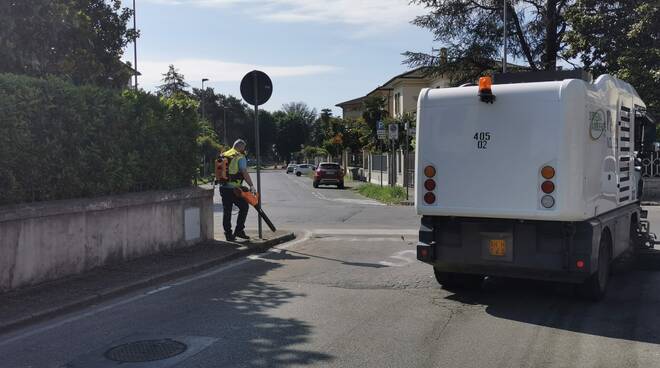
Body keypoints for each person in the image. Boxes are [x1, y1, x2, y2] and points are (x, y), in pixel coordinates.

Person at [219, 139, 256, 241]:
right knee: (244, 207)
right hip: (234, 189)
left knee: (227, 211)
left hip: (223, 187)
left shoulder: (224, 154)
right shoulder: (240, 156)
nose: (244, 150)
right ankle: (239, 230)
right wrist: (251, 186)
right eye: (244, 148)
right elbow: (244, 172)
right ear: (240, 147)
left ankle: (228, 234)